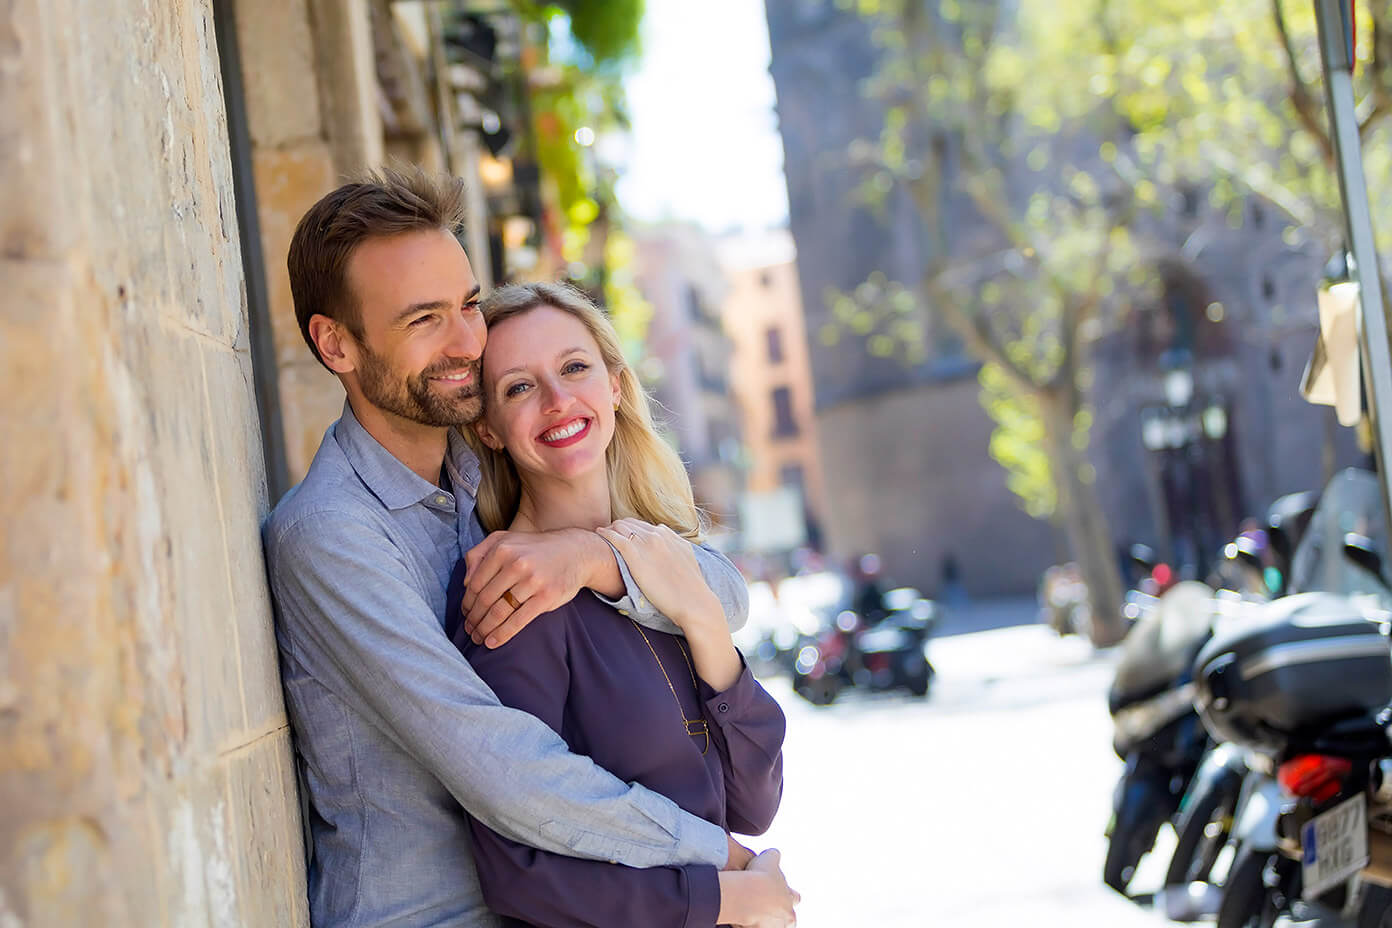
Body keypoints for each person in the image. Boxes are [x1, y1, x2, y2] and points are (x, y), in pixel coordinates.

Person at [262, 168, 791, 927]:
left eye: (468, 306)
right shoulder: (332, 536)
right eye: (424, 320)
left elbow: (720, 594)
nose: (465, 343)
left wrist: (592, 558)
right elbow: (500, 764)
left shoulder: (480, 477)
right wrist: (716, 864)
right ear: (335, 343)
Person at [450, 282, 795, 927]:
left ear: (614, 384)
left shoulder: (668, 568)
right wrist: (722, 901)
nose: (558, 401)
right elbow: (518, 873)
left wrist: (700, 619)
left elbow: (754, 802)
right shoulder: (512, 597)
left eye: (574, 368)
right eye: (519, 387)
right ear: (488, 430)